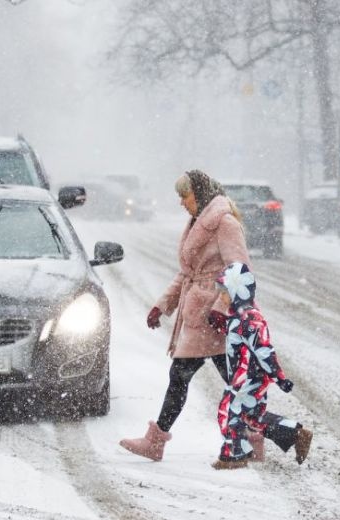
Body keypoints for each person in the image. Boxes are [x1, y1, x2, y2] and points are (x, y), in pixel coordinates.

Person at [119, 170, 252, 461]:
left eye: (185, 195)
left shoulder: (224, 223)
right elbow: (188, 273)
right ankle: (284, 433)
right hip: (199, 315)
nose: (182, 202)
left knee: (181, 377)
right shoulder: (198, 222)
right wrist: (162, 305)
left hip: (212, 317)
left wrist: (221, 308)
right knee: (230, 381)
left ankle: (155, 444)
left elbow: (240, 270)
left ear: (200, 193)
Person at [210, 261, 312, 469]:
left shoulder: (250, 318)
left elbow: (264, 350)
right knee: (250, 416)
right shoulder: (238, 316)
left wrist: (279, 377)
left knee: (229, 410)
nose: (220, 296)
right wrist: (224, 325)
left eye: (224, 291)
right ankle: (295, 433)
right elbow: (239, 341)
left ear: (238, 291)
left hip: (249, 376)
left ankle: (234, 454)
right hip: (247, 376)